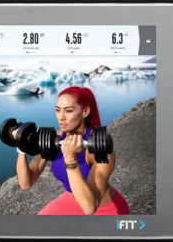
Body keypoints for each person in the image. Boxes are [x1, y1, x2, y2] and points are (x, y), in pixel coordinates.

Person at [13, 86, 130, 215]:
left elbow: (90, 207)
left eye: (68, 111)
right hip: (71, 201)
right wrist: (21, 146)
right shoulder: (54, 139)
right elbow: (26, 183)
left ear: (85, 112)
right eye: (58, 110)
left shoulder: (100, 150)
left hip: (102, 208)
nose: (61, 117)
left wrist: (70, 158)